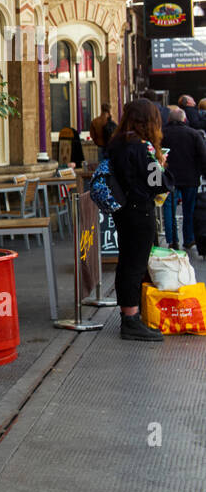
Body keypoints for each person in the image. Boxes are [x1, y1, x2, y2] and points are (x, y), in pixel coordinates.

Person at [107, 98, 169, 341]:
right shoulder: (144, 148)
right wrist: (162, 165)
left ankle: (128, 315)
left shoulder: (117, 144)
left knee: (125, 262)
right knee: (136, 264)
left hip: (122, 209)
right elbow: (157, 183)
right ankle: (132, 321)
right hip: (140, 210)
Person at [161, 106, 206, 250]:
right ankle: (189, 238)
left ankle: (172, 239)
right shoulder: (193, 134)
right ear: (184, 119)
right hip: (190, 178)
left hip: (168, 179)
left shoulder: (162, 134)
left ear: (169, 119)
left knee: (169, 209)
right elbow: (203, 156)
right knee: (189, 209)